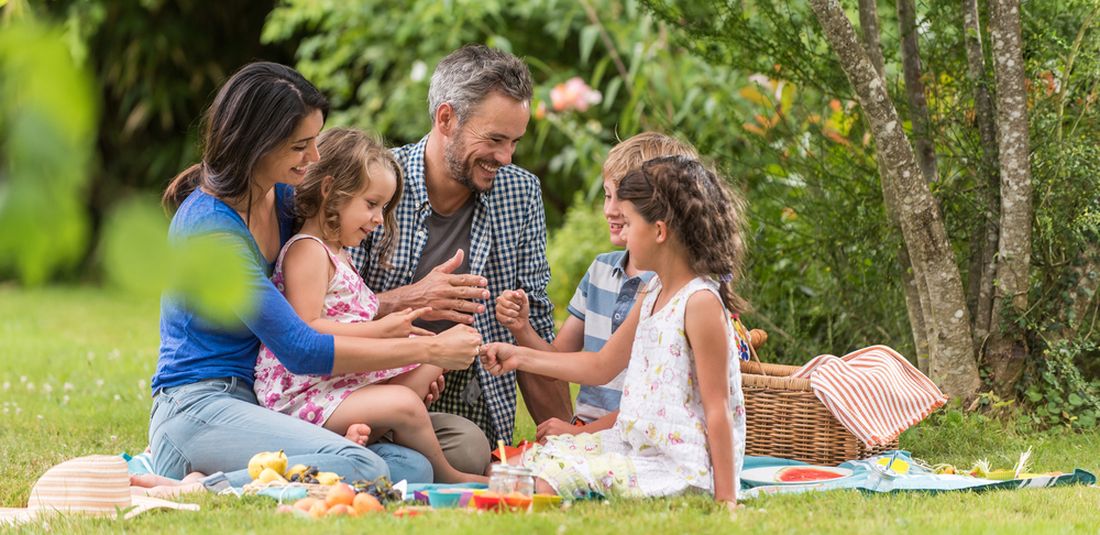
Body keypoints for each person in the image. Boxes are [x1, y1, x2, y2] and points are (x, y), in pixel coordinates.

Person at [146, 62, 482, 489]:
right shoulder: (211, 229)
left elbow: (331, 302)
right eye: (301, 145)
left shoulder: (282, 202)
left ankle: (274, 464)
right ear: (256, 144)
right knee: (366, 469)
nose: (315, 158)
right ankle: (199, 485)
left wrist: (408, 304)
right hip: (199, 407)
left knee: (413, 469)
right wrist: (430, 350)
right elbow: (300, 347)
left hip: (263, 404)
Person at [481, 156, 749, 508]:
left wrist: (726, 498)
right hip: (632, 444)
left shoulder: (699, 303)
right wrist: (518, 355)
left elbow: (719, 410)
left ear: (658, 231)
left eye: (630, 222)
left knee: (532, 486)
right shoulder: (654, 291)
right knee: (510, 468)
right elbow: (600, 366)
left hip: (677, 468)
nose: (622, 231)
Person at [348, 44, 569, 456]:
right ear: (446, 118)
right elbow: (325, 318)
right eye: (495, 139)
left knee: (467, 450)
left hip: (469, 403)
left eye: (515, 142)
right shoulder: (372, 185)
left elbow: (534, 325)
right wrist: (411, 300)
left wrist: (567, 440)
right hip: (369, 394)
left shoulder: (521, 193)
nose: (505, 157)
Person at [253, 127, 487, 483]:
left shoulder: (339, 254)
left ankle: (358, 438)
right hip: (303, 395)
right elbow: (306, 329)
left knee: (429, 364)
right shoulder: (307, 251)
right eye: (371, 204)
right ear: (330, 190)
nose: (379, 219)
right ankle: (448, 475)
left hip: (334, 385)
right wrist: (380, 330)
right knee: (406, 402)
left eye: (383, 207)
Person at [496, 132, 719, 443]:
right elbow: (557, 367)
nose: (611, 210)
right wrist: (522, 330)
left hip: (636, 433)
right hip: (587, 431)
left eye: (623, 200)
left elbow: (653, 403)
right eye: (607, 195)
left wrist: (581, 434)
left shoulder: (670, 290)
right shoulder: (601, 271)